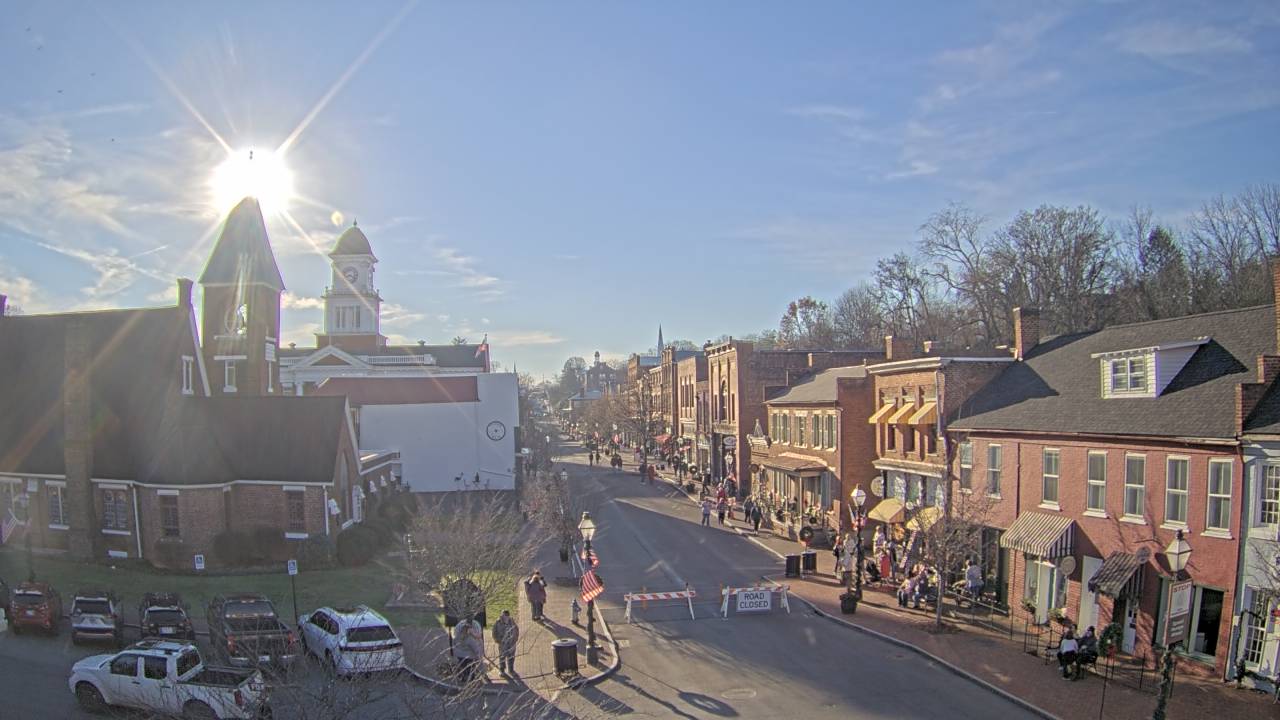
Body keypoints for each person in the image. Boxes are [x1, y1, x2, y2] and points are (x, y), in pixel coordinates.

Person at [452, 615, 484, 683]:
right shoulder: (469, 639)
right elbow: (475, 648)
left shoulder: (457, 637)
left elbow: (454, 643)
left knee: (462, 667)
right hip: (469, 656)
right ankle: (471, 681)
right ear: (469, 630)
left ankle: (463, 680)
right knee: (470, 669)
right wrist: (479, 656)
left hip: (460, 655)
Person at [492, 610, 519, 675]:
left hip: (511, 643)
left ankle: (511, 670)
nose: (505, 618)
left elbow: (516, 630)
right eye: (503, 616)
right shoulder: (498, 622)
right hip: (503, 643)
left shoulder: (512, 621)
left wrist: (515, 639)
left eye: (506, 616)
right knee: (502, 657)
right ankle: (502, 670)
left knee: (511, 657)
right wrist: (497, 640)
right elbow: (494, 632)